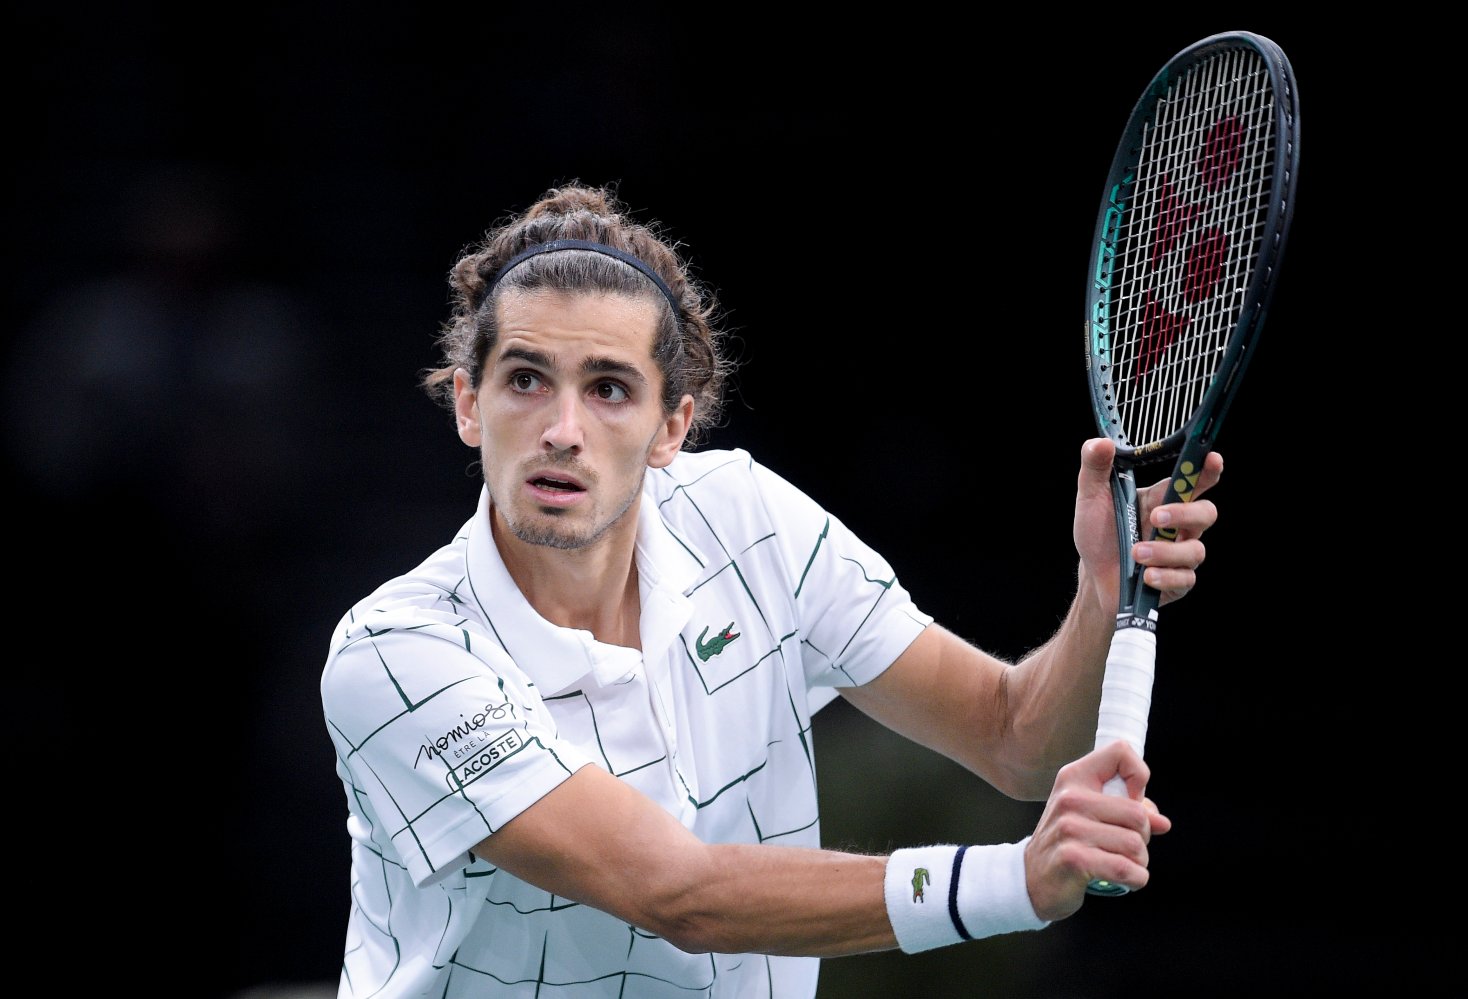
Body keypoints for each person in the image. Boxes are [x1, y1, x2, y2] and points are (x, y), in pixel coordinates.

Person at [319, 182, 1221, 997]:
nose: (562, 429)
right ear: (468, 403)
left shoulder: (746, 518)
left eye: (608, 389)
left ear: (672, 425)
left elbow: (1016, 734)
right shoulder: (397, 653)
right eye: (525, 379)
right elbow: (678, 894)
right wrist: (1012, 880)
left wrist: (1101, 595)